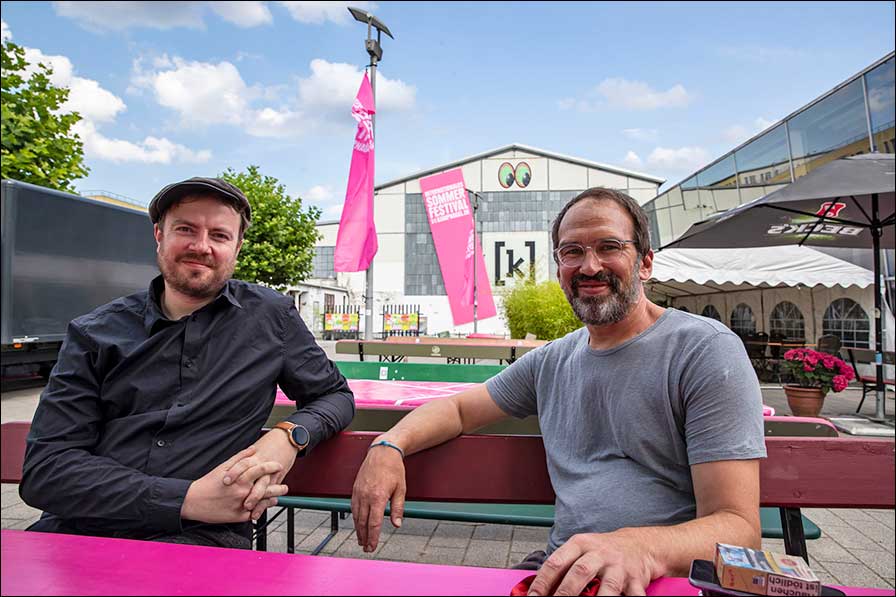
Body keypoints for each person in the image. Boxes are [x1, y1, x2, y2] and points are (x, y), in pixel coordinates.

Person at [351, 187, 765, 595]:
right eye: (572, 252)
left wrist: (639, 546)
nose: (589, 267)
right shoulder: (552, 361)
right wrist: (389, 445)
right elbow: (459, 409)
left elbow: (738, 528)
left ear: (645, 263)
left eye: (609, 247)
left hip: (666, 577)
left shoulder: (703, 350)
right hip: (567, 568)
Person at [20, 177, 355, 549]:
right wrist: (190, 499)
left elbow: (334, 396)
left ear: (237, 247)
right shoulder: (93, 333)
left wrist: (289, 435)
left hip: (200, 541)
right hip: (81, 532)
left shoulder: (272, 318)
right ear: (158, 235)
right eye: (186, 229)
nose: (202, 246)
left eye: (219, 235)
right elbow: (45, 471)